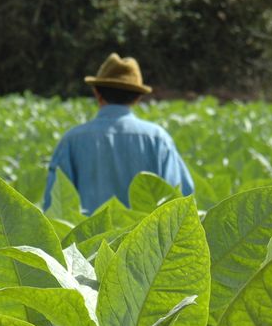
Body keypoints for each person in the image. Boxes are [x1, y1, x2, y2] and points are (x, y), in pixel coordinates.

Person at [43, 53, 194, 213]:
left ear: (97, 93)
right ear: (137, 98)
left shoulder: (71, 140)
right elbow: (180, 200)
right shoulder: (157, 139)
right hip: (146, 238)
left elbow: (55, 207)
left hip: (88, 238)